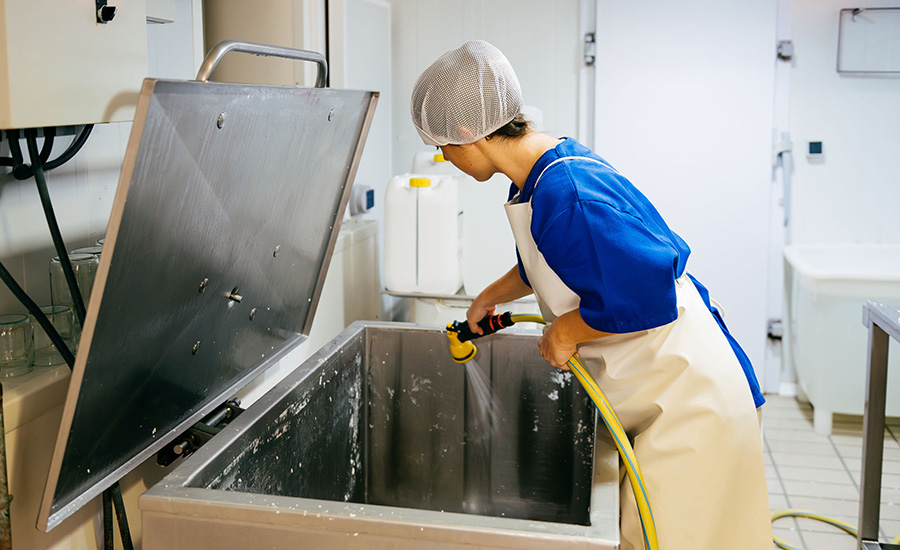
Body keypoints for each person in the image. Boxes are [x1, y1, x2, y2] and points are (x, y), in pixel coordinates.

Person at [411, 40, 772, 550]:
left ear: (470, 132)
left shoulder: (567, 190)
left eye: (444, 145)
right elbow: (559, 258)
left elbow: (642, 292)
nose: (445, 157)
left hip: (691, 401)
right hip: (661, 391)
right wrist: (492, 294)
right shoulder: (542, 171)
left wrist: (566, 331)